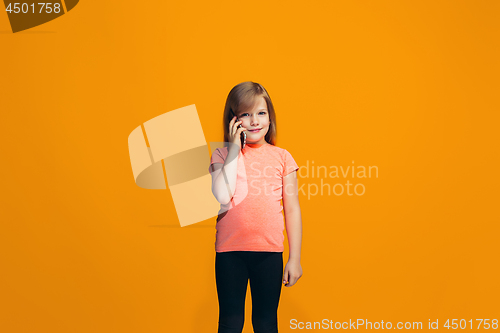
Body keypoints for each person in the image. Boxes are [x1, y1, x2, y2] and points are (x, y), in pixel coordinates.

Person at [208, 81, 303, 333]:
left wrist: (294, 258)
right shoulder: (221, 155)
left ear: (270, 117)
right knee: (230, 322)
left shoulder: (282, 157)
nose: (254, 121)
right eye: (246, 114)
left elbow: (292, 209)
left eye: (261, 113)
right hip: (230, 253)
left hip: (269, 253)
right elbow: (222, 194)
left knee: (265, 323)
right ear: (234, 120)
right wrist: (234, 151)